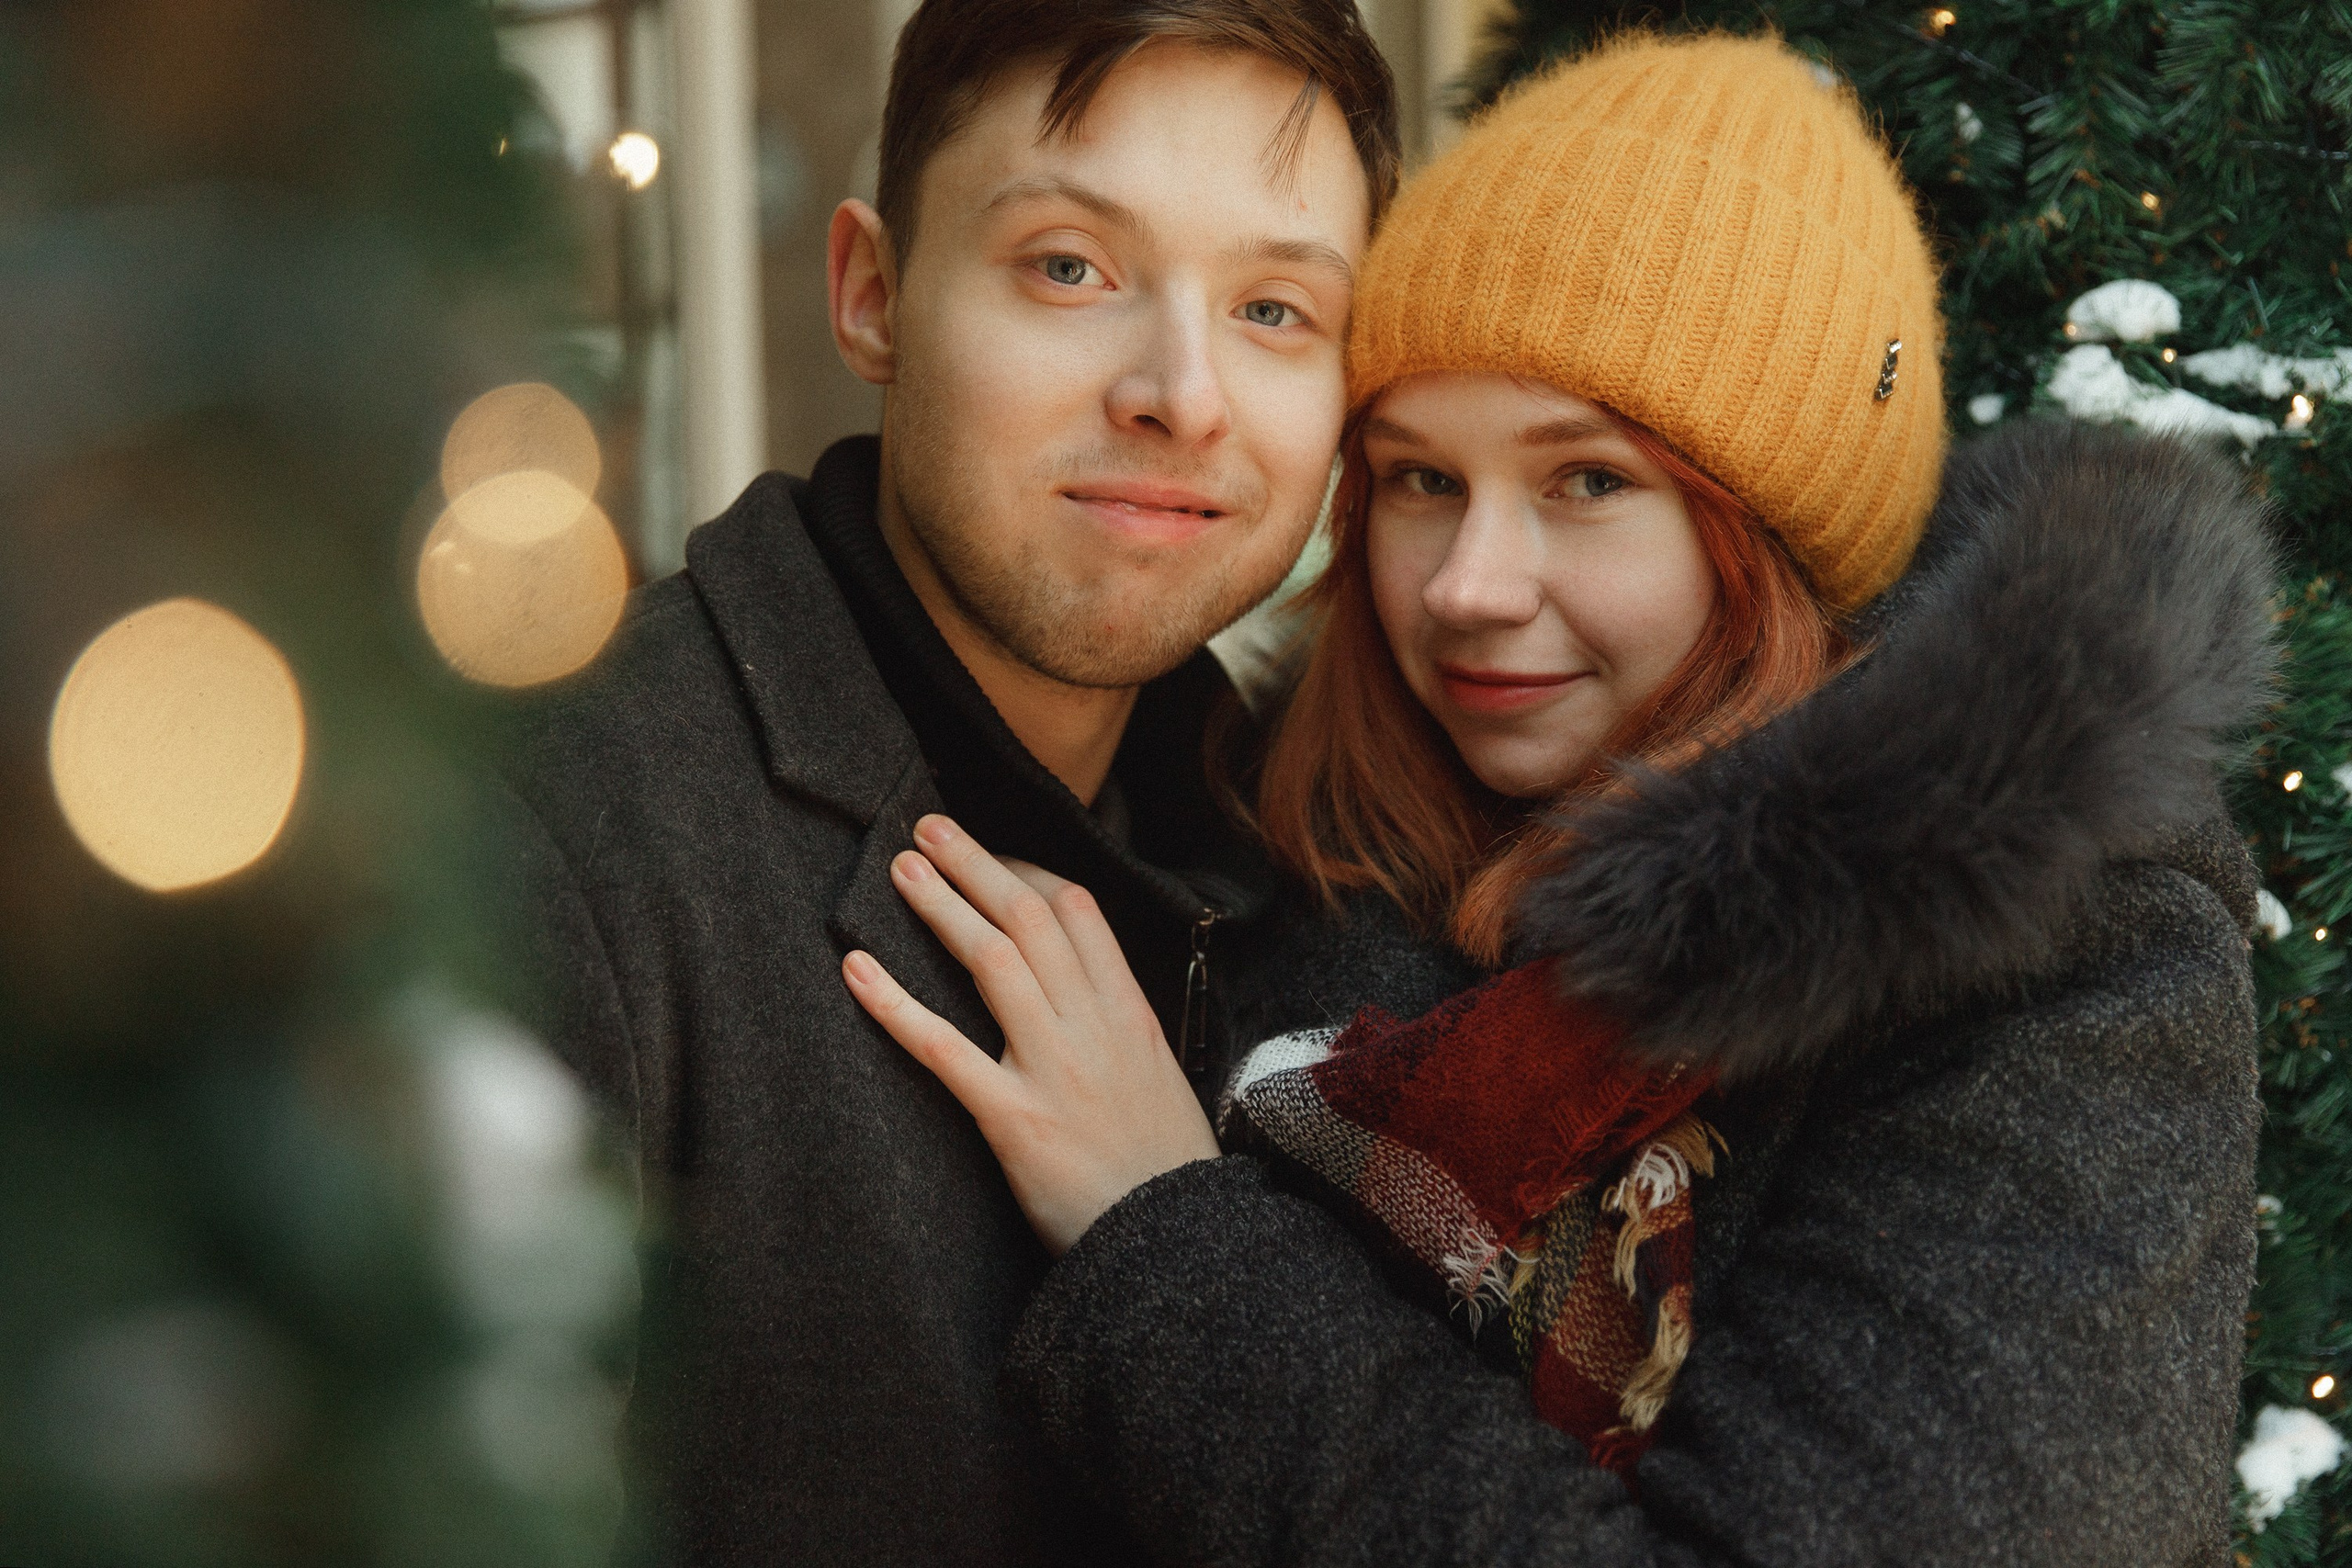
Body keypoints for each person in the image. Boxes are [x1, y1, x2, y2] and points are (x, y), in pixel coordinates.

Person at [844, 33, 2279, 1564]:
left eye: (1588, 481)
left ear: (1768, 539)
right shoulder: (1282, 853)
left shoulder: (2062, 955)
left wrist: (1164, 1239)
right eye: (1418, 480)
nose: (1468, 587)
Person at [493, 2, 1398, 1562]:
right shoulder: (566, 829)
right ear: (873, 293)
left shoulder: (1325, 859)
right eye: (1070, 267)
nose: (1179, 394)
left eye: (1273, 311)